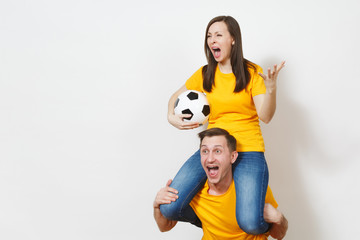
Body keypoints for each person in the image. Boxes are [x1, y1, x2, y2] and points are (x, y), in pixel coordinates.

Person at [160, 15, 285, 234]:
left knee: (251, 224)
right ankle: (214, 221)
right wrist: (171, 116)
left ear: (233, 39)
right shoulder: (205, 74)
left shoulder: (252, 73)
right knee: (169, 208)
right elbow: (174, 97)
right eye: (209, 35)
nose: (212, 40)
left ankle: (263, 218)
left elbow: (265, 116)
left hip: (248, 150)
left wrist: (272, 90)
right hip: (214, 150)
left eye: (218, 35)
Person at [154, 128, 288, 240]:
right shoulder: (194, 192)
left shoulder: (251, 189)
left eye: (217, 151)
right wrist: (157, 206)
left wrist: (279, 218)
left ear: (233, 157)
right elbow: (164, 226)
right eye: (205, 151)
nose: (210, 158)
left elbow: (279, 234)